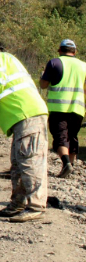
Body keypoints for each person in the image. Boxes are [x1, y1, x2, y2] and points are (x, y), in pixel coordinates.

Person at [0, 42, 49, 222]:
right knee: (18, 162)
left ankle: (36, 206)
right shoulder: (8, 66)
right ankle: (18, 204)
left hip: (28, 115)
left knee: (30, 161)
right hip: (22, 117)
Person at [39, 39, 86, 178]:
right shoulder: (83, 65)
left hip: (59, 107)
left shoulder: (54, 63)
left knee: (60, 136)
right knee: (72, 136)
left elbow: (43, 85)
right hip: (78, 108)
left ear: (59, 50)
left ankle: (66, 164)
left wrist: (43, 76)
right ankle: (71, 165)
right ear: (75, 51)